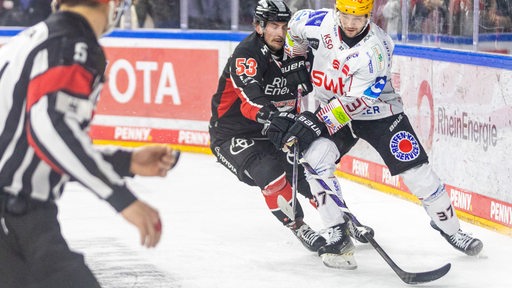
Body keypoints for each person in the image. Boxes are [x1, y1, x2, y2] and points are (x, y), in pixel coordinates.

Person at [277, 0, 483, 269]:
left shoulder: (377, 49)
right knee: (314, 159)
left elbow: (357, 102)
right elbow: (293, 29)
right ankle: (337, 230)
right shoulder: (316, 22)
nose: (351, 24)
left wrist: (315, 121)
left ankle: (452, 229)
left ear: (369, 15)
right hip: (332, 107)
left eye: (359, 17)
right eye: (346, 16)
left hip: (379, 113)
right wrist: (295, 62)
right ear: (337, 11)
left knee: (416, 171)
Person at [0, 1, 180, 287]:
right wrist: (122, 198)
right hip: (15, 217)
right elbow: (50, 129)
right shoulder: (71, 44)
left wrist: (125, 162)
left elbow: (35, 140)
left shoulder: (32, 40)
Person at [209, 0, 329, 253]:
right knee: (271, 173)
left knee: (309, 171)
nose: (280, 32)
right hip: (233, 134)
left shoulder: (296, 49)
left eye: (285, 26)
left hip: (275, 127)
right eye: (274, 25)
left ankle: (337, 220)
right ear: (259, 26)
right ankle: (297, 224)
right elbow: (250, 100)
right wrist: (272, 116)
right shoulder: (246, 54)